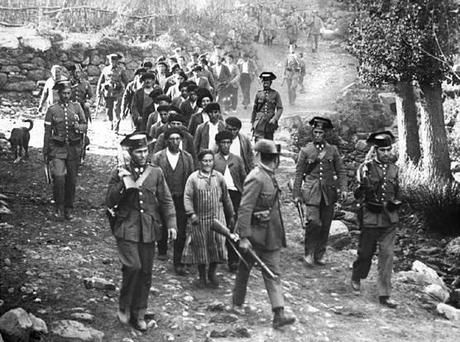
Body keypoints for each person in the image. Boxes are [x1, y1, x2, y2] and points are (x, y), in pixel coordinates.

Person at [106, 132, 177, 331]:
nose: (143, 154)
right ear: (130, 152)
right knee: (133, 267)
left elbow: (166, 199)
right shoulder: (119, 171)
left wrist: (172, 224)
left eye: (145, 150)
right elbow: (109, 201)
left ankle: (138, 313)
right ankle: (124, 306)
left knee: (145, 272)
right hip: (127, 227)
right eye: (138, 151)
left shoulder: (155, 172)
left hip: (148, 228)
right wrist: (121, 182)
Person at [232, 139, 295, 329]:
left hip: (271, 235)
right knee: (244, 269)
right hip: (253, 235)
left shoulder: (269, 175)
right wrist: (243, 237)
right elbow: (245, 208)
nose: (274, 161)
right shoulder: (256, 177)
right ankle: (236, 303)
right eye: (273, 158)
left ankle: (279, 313)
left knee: (272, 271)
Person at [351, 131, 401, 309]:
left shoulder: (395, 169)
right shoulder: (365, 167)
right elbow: (356, 195)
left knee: (387, 256)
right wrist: (363, 186)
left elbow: (397, 192)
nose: (386, 154)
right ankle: (357, 276)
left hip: (389, 219)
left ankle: (384, 295)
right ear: (376, 150)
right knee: (365, 253)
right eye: (382, 150)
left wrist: (397, 203)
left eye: (388, 150)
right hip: (371, 216)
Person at [293, 117, 347, 266]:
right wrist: (296, 194)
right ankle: (309, 252)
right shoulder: (305, 150)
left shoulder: (332, 150)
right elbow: (299, 174)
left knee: (325, 225)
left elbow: (341, 170)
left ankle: (320, 254)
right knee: (314, 222)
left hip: (328, 192)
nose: (317, 135)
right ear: (312, 132)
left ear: (325, 134)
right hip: (311, 192)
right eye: (315, 132)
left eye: (320, 132)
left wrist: (343, 188)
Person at [182, 149, 234, 288]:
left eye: (210, 160)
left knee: (217, 245)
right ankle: (202, 276)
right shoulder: (193, 178)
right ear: (200, 162)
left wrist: (231, 214)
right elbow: (187, 197)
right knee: (201, 247)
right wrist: (191, 213)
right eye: (205, 160)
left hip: (217, 217)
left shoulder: (219, 177)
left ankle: (212, 273)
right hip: (199, 219)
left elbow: (226, 197)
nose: (208, 163)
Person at [152, 127, 194, 275]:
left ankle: (178, 261)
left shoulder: (187, 158)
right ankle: (162, 248)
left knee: (181, 230)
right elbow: (153, 178)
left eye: (178, 139)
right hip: (163, 197)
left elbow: (191, 179)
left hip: (181, 197)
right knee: (163, 224)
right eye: (172, 139)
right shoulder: (158, 157)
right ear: (166, 141)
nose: (175, 142)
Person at [43, 81, 87, 221]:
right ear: (59, 94)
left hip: (73, 149)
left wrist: (79, 127)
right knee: (59, 178)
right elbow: (47, 132)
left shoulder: (77, 107)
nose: (66, 96)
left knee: (71, 181)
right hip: (57, 149)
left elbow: (85, 125)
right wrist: (46, 151)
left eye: (68, 93)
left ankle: (69, 209)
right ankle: (58, 207)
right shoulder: (52, 110)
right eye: (64, 93)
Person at [213, 130, 247, 272]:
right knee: (220, 225)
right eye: (223, 143)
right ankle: (217, 256)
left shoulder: (237, 159)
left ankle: (233, 259)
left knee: (234, 225)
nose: (226, 145)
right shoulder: (214, 159)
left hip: (235, 195)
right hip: (219, 196)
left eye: (228, 143)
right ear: (218, 144)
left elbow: (244, 177)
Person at [96, 53, 128, 132]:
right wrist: (98, 92)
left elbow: (126, 81)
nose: (113, 62)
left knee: (117, 109)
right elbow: (100, 81)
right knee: (108, 109)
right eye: (111, 60)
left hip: (118, 92)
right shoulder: (105, 69)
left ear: (117, 61)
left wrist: (127, 92)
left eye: (114, 60)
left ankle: (116, 125)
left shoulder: (121, 70)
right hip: (108, 93)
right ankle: (110, 123)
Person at [251, 72, 283, 141]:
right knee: (258, 141)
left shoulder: (275, 94)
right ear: (262, 83)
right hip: (259, 121)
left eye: (267, 82)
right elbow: (254, 110)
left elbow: (280, 108)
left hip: (270, 122)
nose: (266, 84)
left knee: (269, 141)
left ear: (270, 83)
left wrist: (275, 119)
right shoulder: (258, 94)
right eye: (264, 82)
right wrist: (253, 123)